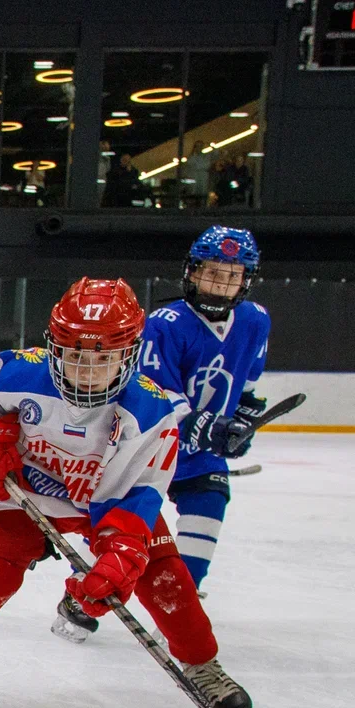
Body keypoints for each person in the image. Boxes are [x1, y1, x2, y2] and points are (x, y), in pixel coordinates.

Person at [0, 278, 252, 708]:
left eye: (103, 359)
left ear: (128, 355)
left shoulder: (151, 414)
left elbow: (137, 496)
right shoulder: (13, 372)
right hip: (25, 495)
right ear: (53, 347)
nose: (87, 371)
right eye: (75, 356)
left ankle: (203, 665)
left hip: (102, 503)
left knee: (164, 573)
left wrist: (122, 552)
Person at [53, 226, 267, 658]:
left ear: (246, 280)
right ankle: (84, 602)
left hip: (200, 453)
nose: (220, 284)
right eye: (212, 273)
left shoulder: (255, 320)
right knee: (133, 532)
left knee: (210, 506)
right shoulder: (166, 325)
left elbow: (245, 387)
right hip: (151, 446)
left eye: (231, 275)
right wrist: (208, 426)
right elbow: (155, 394)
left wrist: (242, 420)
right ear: (192, 272)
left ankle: (178, 604)